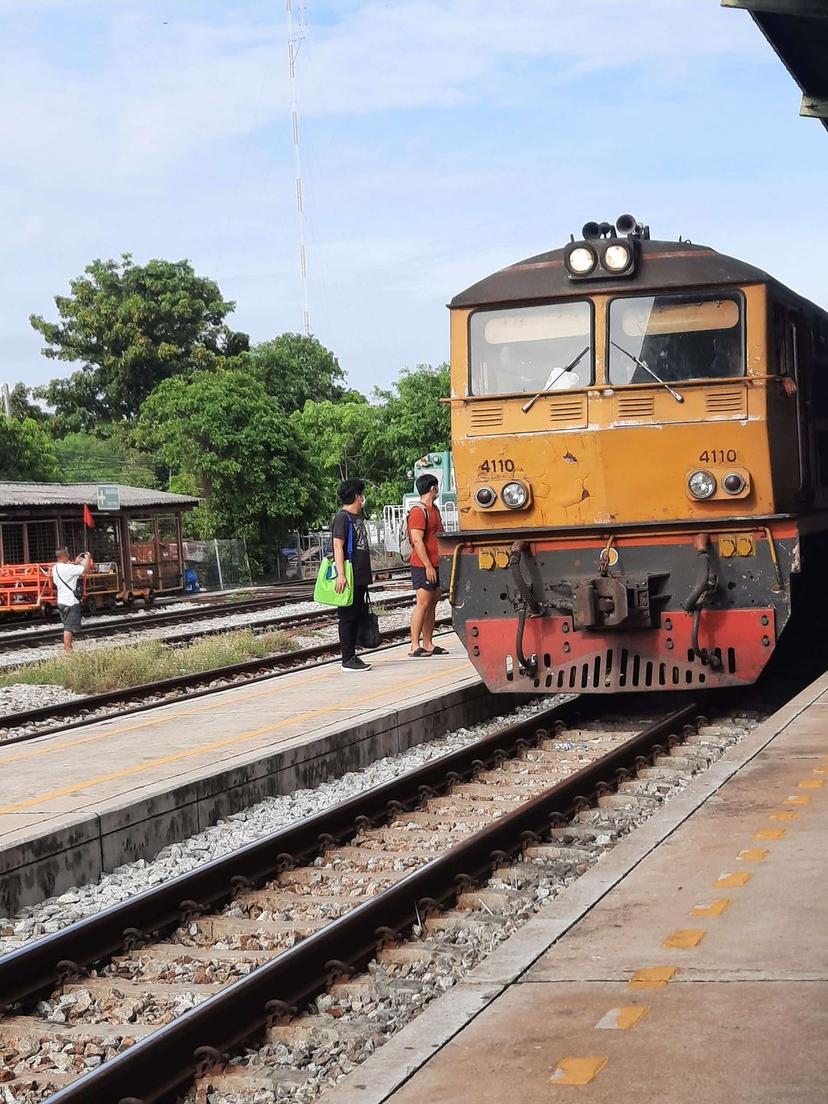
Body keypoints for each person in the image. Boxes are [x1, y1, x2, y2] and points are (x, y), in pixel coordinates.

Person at [332, 478, 373, 672]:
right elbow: (337, 546)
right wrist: (341, 574)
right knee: (347, 617)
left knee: (358, 614)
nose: (363, 498)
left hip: (361, 575)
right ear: (357, 496)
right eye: (361, 494)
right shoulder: (342, 518)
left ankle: (353, 654)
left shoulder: (359, 516)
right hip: (349, 574)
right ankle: (347, 658)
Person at [408, 473, 448, 657]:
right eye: (437, 487)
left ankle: (428, 642)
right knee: (423, 603)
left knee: (432, 603)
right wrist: (428, 566)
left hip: (437, 562)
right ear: (433, 488)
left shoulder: (435, 510)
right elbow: (417, 540)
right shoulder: (418, 511)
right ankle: (414, 645)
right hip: (423, 565)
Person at [52, 547, 92, 655]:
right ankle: (68, 649)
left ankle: (68, 648)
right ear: (64, 555)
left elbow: (69, 570)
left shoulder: (55, 568)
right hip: (71, 601)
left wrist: (75, 563)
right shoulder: (68, 568)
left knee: (66, 625)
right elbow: (86, 569)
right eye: (68, 553)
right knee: (69, 628)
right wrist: (87, 558)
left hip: (61, 600)